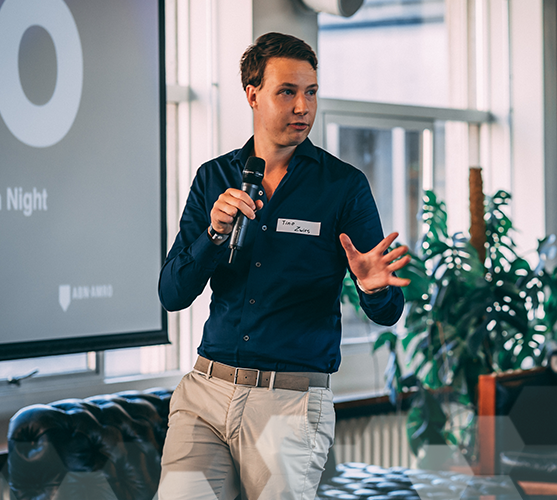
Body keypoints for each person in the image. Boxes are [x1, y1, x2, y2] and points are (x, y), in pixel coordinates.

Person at [157, 33, 410, 499]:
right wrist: (212, 235)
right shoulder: (213, 178)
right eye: (287, 92)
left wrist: (374, 288)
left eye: (310, 92)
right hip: (206, 391)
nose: (302, 107)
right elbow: (172, 294)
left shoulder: (343, 187)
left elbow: (388, 310)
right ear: (252, 94)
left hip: (289, 403)